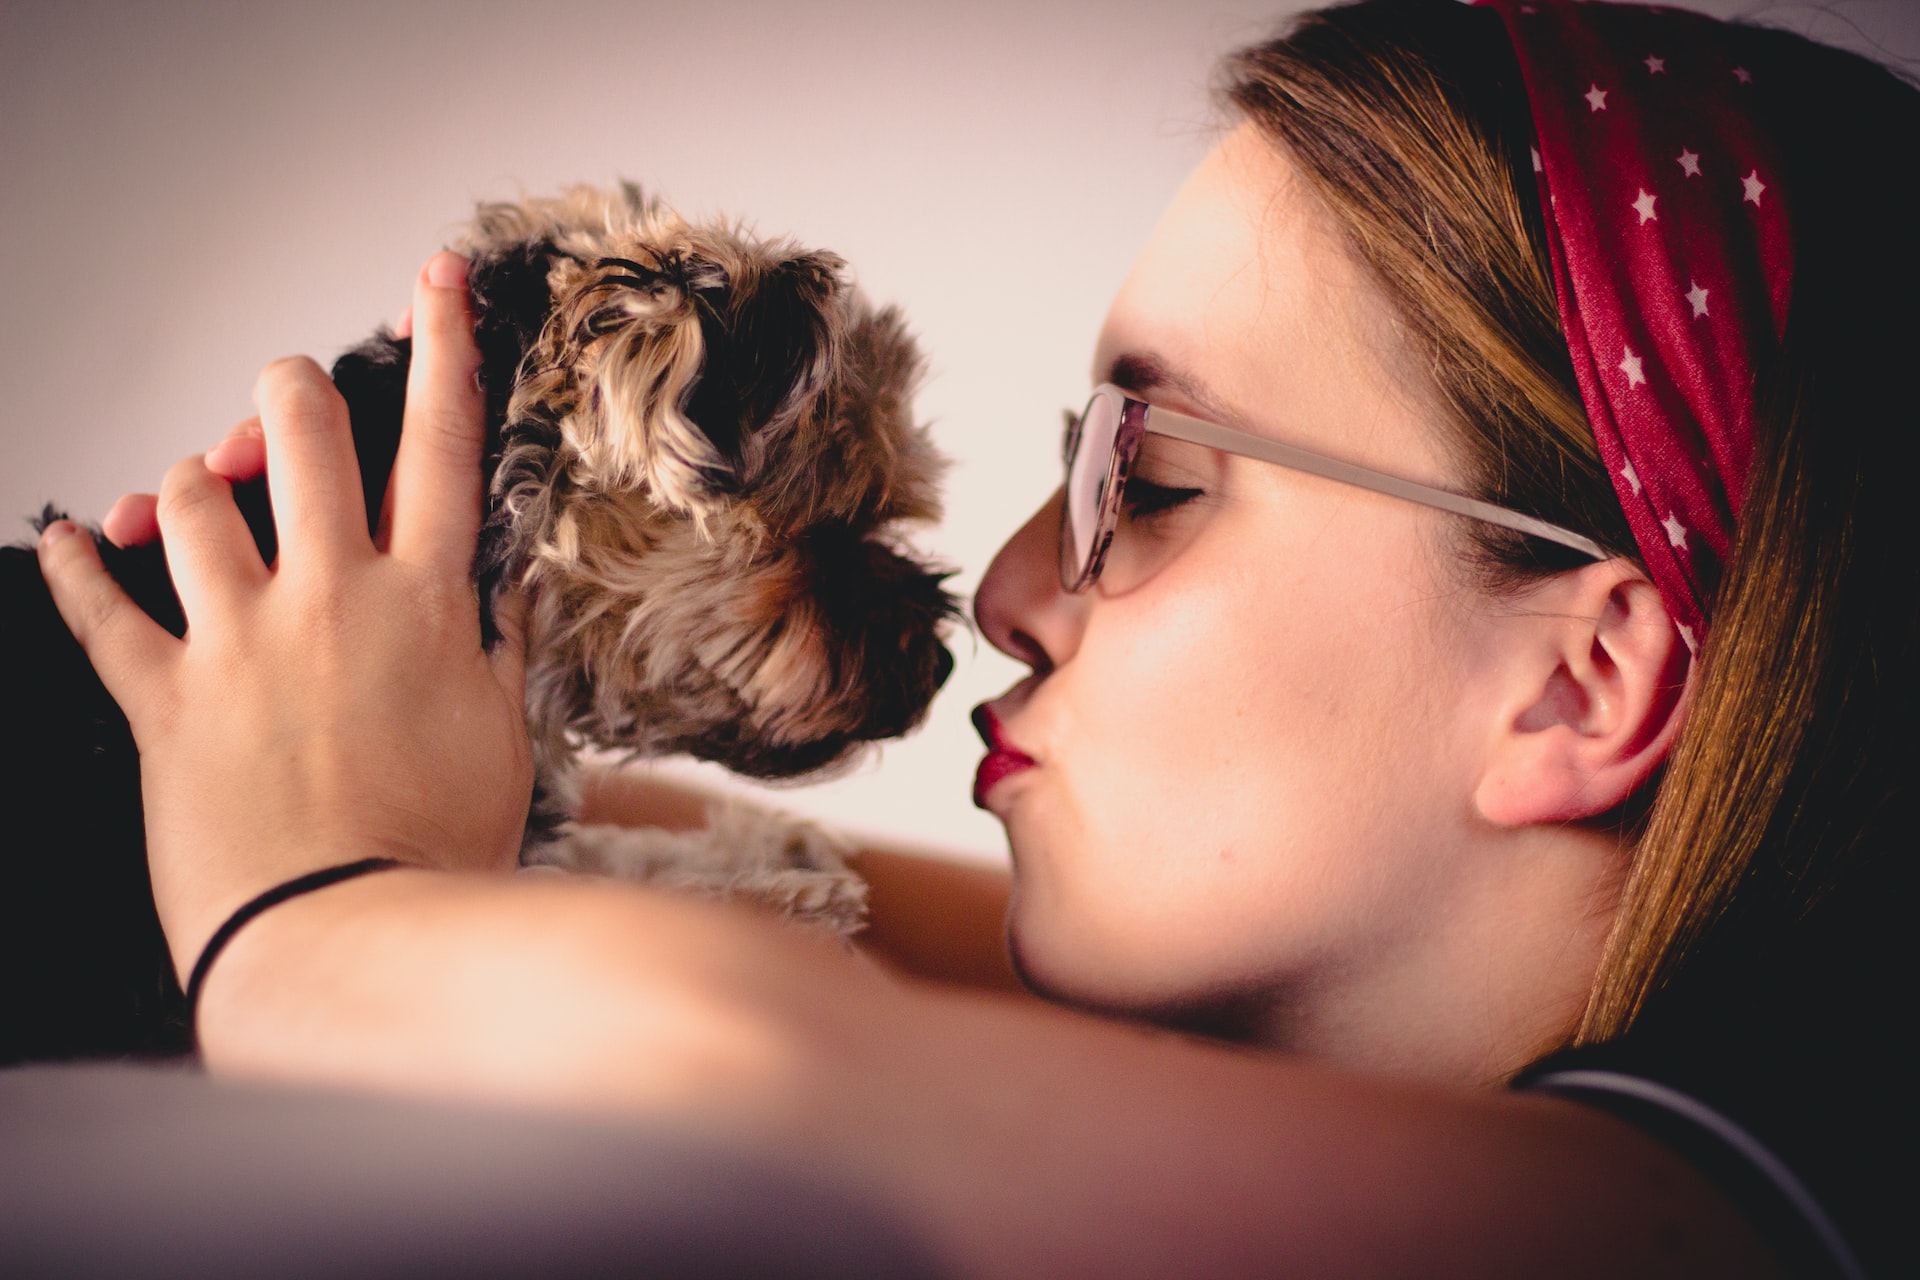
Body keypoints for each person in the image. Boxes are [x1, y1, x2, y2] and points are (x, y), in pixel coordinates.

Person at [34, 0, 1912, 1274]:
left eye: (1153, 484)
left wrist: (312, 899)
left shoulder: (1755, 1184)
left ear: (1584, 678)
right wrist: (353, 705)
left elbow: (750, 1063)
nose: (1012, 588)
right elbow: (779, 903)